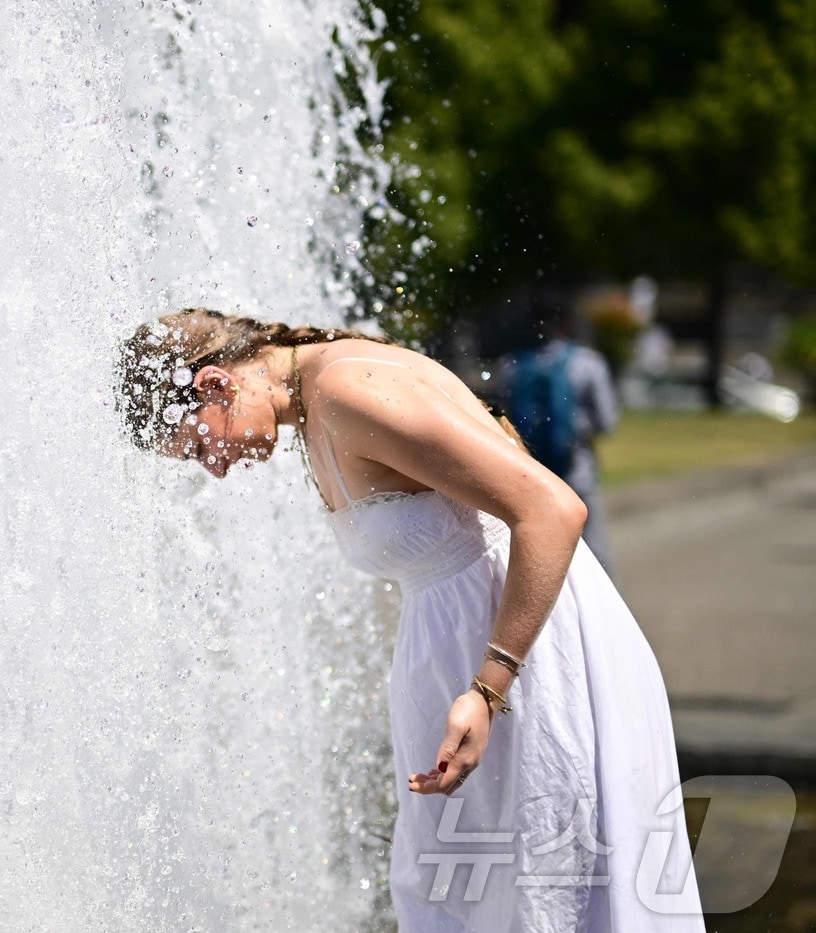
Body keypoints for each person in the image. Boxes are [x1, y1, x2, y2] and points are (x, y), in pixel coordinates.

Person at [118, 308, 702, 931]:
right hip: (470, 666)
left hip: (528, 666)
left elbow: (552, 509)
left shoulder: (346, 390)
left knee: (548, 890)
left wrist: (488, 689)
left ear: (214, 385)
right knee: (477, 893)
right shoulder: (317, 404)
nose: (214, 466)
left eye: (199, 443)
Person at [497, 298, 621, 578]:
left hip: (529, 470)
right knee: (593, 547)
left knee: (533, 549)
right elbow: (607, 422)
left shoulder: (513, 364)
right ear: (566, 323)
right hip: (577, 467)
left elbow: (506, 418)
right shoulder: (587, 363)